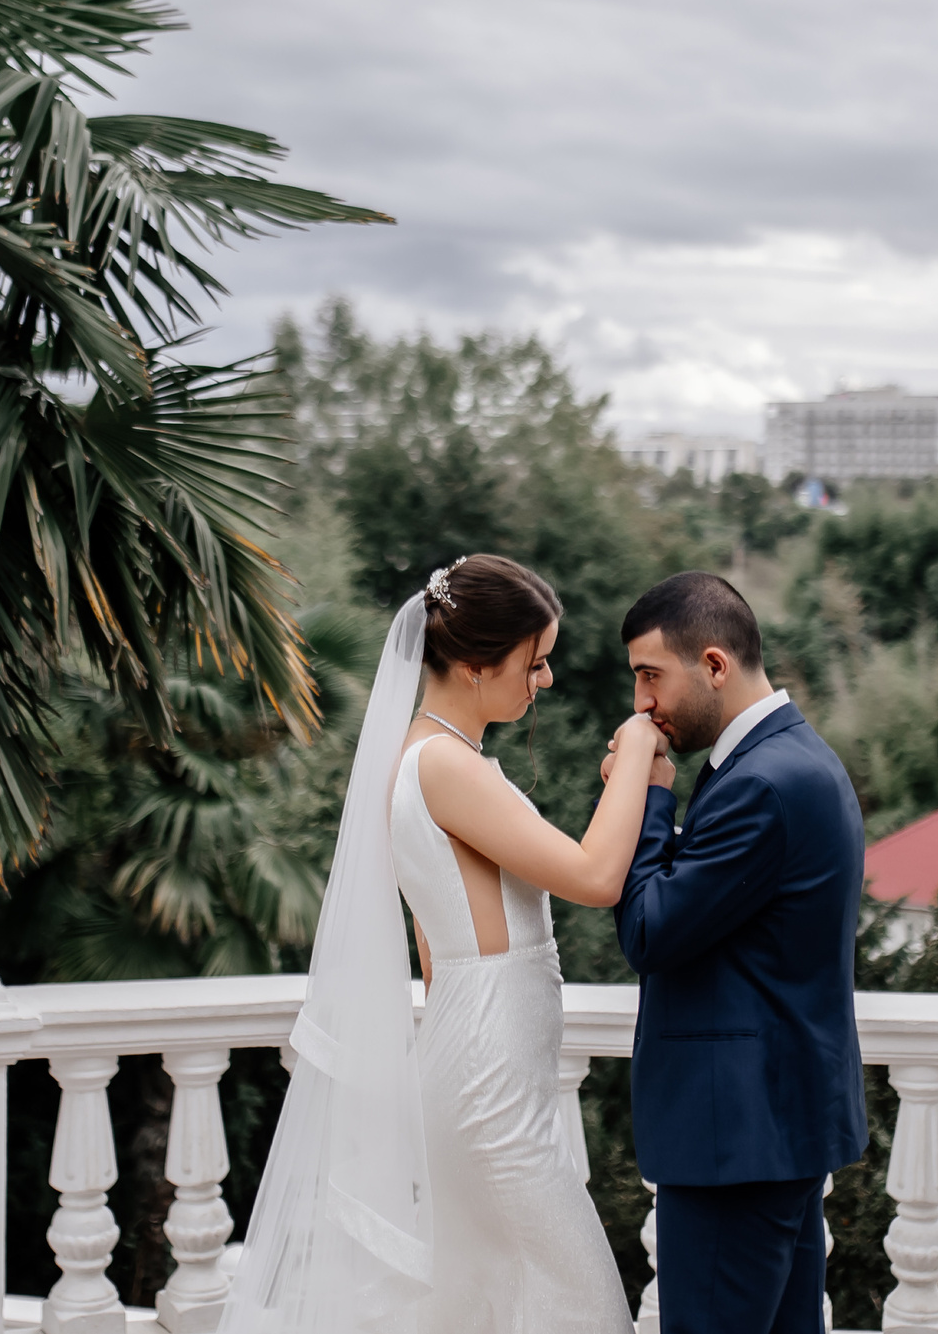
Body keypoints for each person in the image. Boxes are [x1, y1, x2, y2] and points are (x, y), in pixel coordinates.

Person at [225, 554, 642, 1334]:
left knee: (490, 1302)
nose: (545, 680)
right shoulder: (447, 764)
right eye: (534, 661)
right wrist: (641, 751)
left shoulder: (419, 756)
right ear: (478, 665)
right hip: (490, 1080)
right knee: (582, 1303)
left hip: (475, 1060)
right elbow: (595, 876)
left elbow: (430, 948)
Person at [610, 571, 867, 1334]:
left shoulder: (762, 782)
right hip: (769, 1131)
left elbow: (650, 928)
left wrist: (647, 795)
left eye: (650, 675)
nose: (642, 702)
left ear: (714, 664)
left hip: (736, 1142)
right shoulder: (787, 759)